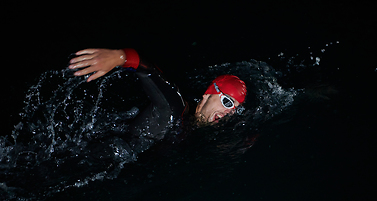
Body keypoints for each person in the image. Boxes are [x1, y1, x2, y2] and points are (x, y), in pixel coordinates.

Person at [68, 48, 247, 139]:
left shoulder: (198, 129)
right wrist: (119, 57)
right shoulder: (174, 108)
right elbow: (152, 72)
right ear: (207, 94)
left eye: (234, 109)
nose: (228, 112)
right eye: (227, 102)